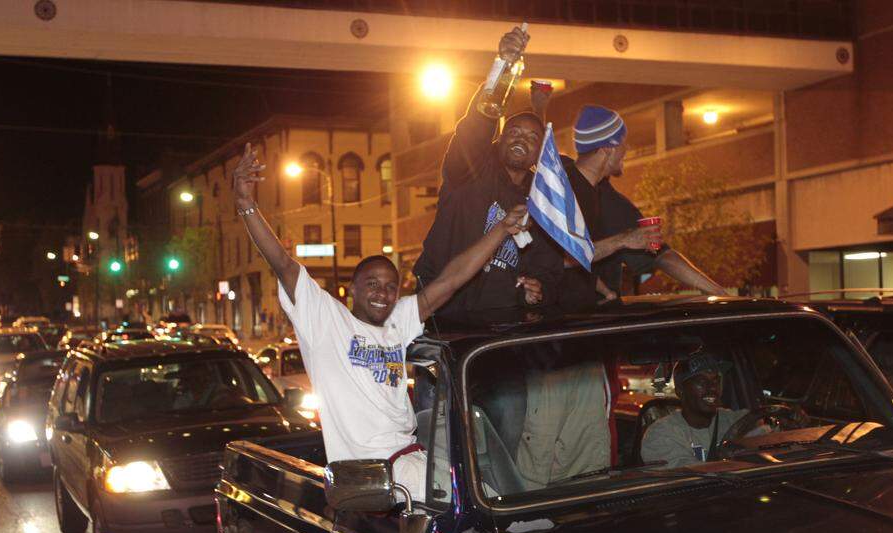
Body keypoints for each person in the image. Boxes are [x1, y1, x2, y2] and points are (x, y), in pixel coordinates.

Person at [232, 143, 531, 502]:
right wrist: (245, 203)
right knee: (485, 513)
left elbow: (451, 281)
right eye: (372, 284)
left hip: (411, 457)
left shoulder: (398, 320)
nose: (382, 293)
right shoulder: (325, 319)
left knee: (486, 468)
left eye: (391, 287)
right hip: (375, 474)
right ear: (352, 288)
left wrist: (500, 230)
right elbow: (282, 261)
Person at [413, 27, 564, 320]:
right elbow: (478, 123)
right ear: (500, 137)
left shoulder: (541, 200)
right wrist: (504, 66)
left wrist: (539, 289)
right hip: (443, 315)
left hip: (499, 326)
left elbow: (549, 266)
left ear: (539, 153)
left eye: (533, 138)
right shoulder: (469, 171)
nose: (522, 139)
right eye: (515, 132)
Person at [551, 105, 726, 308]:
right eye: (623, 142)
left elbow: (661, 254)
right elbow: (558, 258)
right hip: (568, 324)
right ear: (607, 148)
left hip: (589, 316)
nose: (627, 149)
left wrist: (718, 293)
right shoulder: (561, 190)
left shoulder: (601, 195)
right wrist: (623, 240)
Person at [640, 353, 747, 468]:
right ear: (680, 391)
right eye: (701, 382)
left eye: (716, 381)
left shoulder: (735, 420)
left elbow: (765, 437)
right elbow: (688, 477)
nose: (712, 387)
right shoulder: (661, 433)